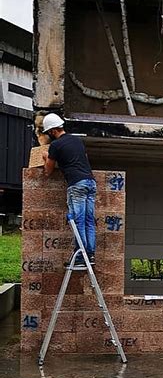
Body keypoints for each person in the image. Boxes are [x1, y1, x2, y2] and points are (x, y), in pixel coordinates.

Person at [42, 113, 96, 268]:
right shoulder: (77, 141)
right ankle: (90, 255)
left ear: (52, 131)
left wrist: (46, 156)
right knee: (89, 221)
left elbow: (48, 172)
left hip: (77, 184)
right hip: (90, 183)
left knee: (78, 220)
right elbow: (83, 159)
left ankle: (80, 256)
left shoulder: (56, 146)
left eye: (49, 133)